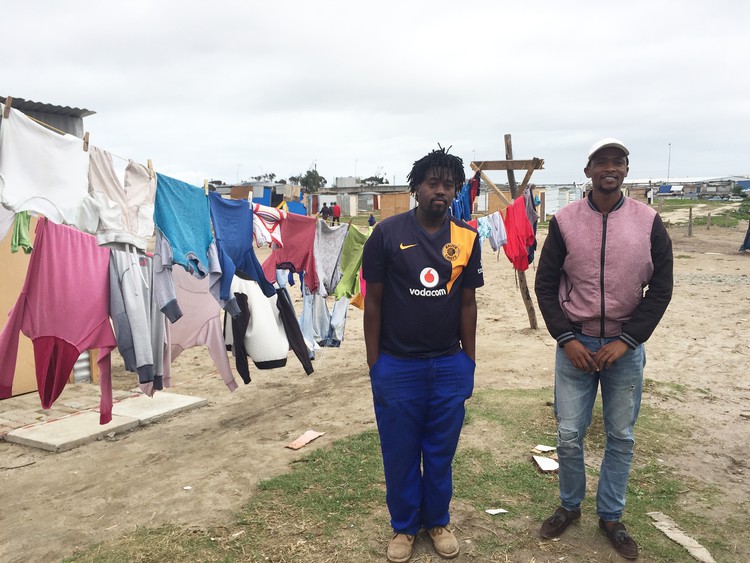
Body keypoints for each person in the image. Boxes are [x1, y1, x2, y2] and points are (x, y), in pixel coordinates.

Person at [534, 138, 673, 560]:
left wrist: (627, 341)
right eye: (601, 162)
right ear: (588, 170)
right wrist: (567, 339)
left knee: (621, 435)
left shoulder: (649, 221)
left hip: (624, 349)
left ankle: (611, 515)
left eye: (618, 162)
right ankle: (569, 506)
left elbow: (661, 288)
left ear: (626, 171)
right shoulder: (565, 220)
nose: (609, 169)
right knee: (569, 434)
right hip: (575, 344)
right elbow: (545, 284)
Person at [362, 147, 483, 563]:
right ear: (416, 188)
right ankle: (403, 528)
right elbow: (373, 304)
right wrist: (375, 364)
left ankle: (437, 521)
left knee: (439, 452)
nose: (441, 191)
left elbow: (468, 304)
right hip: (397, 365)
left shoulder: (467, 237)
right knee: (399, 451)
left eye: (448, 184)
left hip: (449, 363)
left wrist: (468, 361)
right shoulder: (386, 234)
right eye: (433, 182)